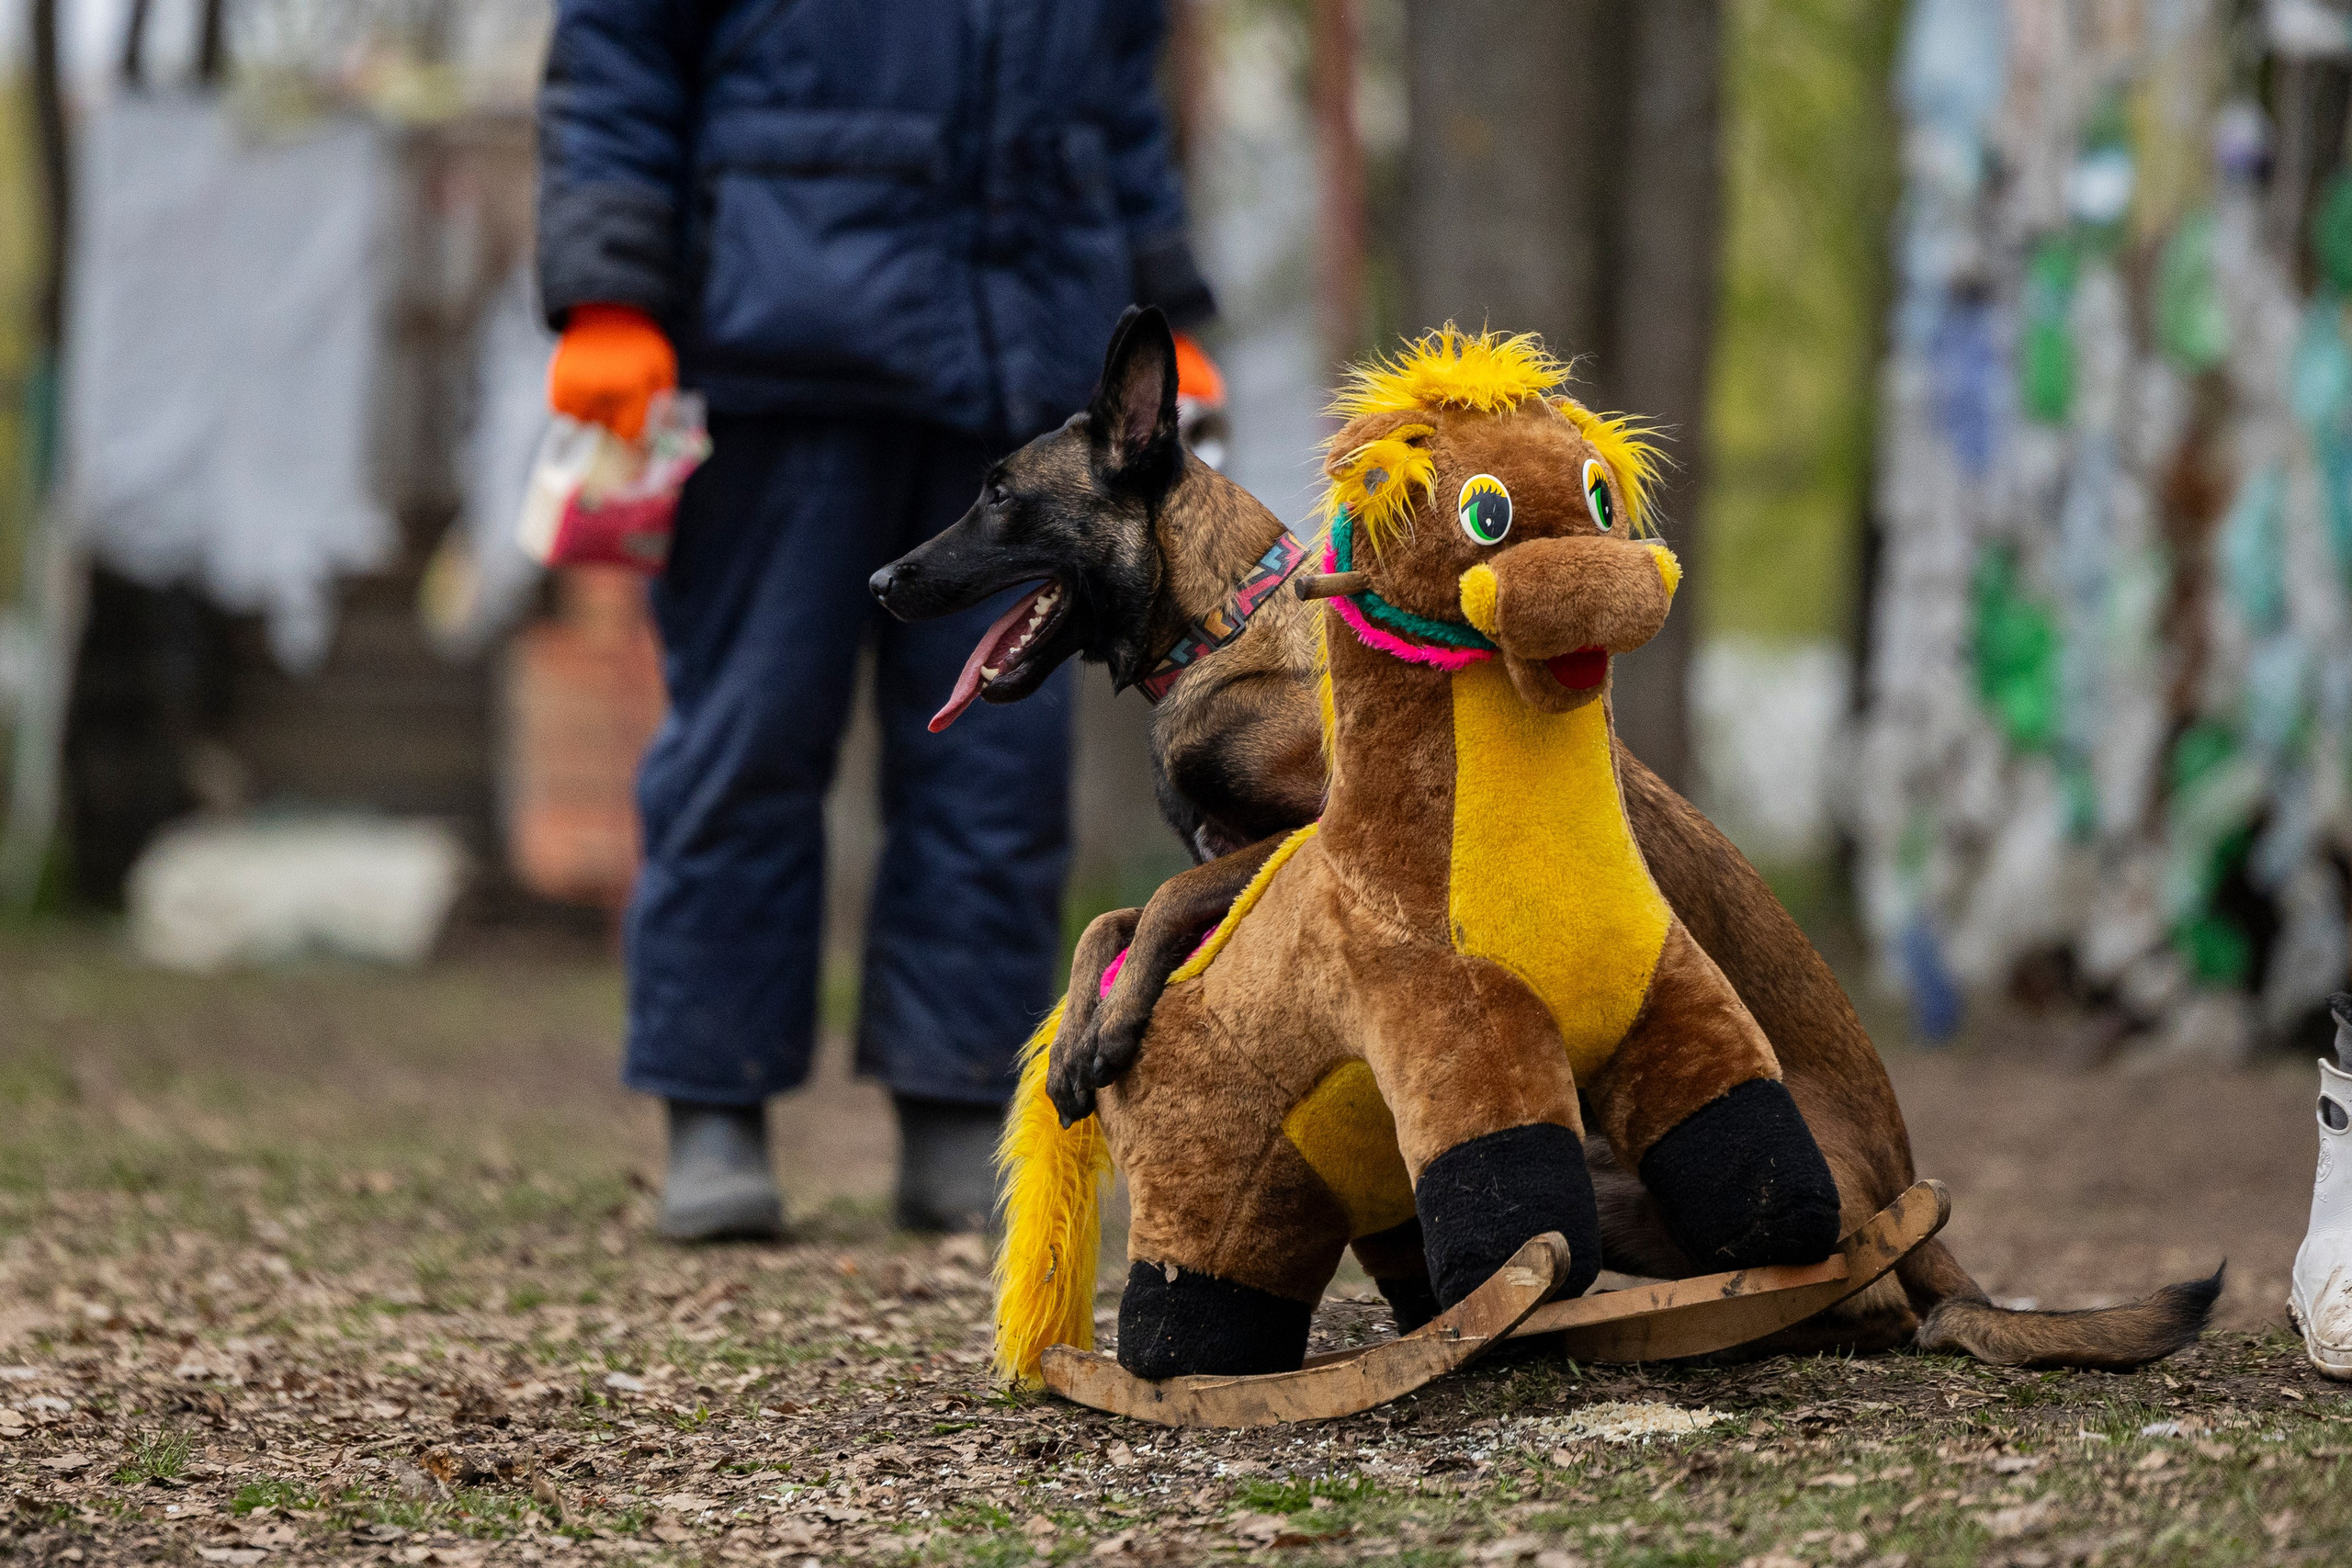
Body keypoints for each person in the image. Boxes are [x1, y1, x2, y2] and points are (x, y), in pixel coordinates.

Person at [535, 0, 1219, 1237]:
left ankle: (962, 1111)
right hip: (777, 354)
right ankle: (714, 1106)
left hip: (1021, 381)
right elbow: (622, 47)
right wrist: (609, 293)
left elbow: (1122, 99)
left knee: (995, 764)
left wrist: (1163, 304)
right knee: (751, 732)